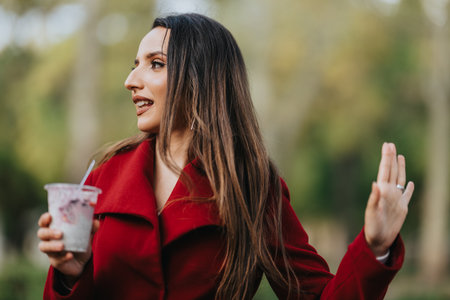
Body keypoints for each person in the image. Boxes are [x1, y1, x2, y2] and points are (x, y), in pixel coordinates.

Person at [38, 13, 414, 300]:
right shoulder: (104, 176)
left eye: (155, 63)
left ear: (200, 78)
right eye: (134, 64)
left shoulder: (251, 185)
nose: (131, 80)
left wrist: (374, 247)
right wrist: (70, 274)